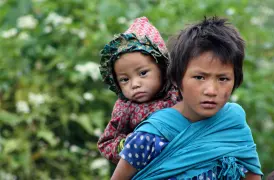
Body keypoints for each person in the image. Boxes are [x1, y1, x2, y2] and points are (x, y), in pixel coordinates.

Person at [111, 16, 263, 180]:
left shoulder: (233, 124)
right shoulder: (149, 136)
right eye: (199, 77)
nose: (211, 90)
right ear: (177, 79)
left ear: (235, 80)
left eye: (223, 79)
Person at [97, 17, 180, 164]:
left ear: (162, 69)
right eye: (124, 79)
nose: (135, 84)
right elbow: (106, 143)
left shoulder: (178, 93)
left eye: (143, 73)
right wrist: (126, 144)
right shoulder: (124, 108)